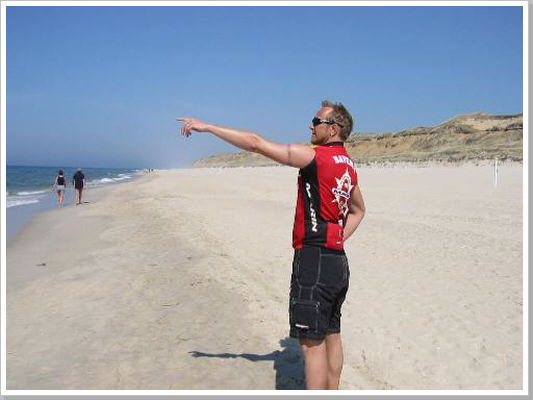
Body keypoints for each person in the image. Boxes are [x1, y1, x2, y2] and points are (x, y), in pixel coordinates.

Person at [177, 100, 366, 390]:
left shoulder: (316, 157)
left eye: (316, 121)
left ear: (333, 129)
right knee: (332, 333)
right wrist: (338, 237)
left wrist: (208, 127)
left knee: (312, 346)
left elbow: (255, 143)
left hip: (314, 261)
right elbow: (358, 210)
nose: (311, 125)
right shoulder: (349, 166)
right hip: (337, 262)